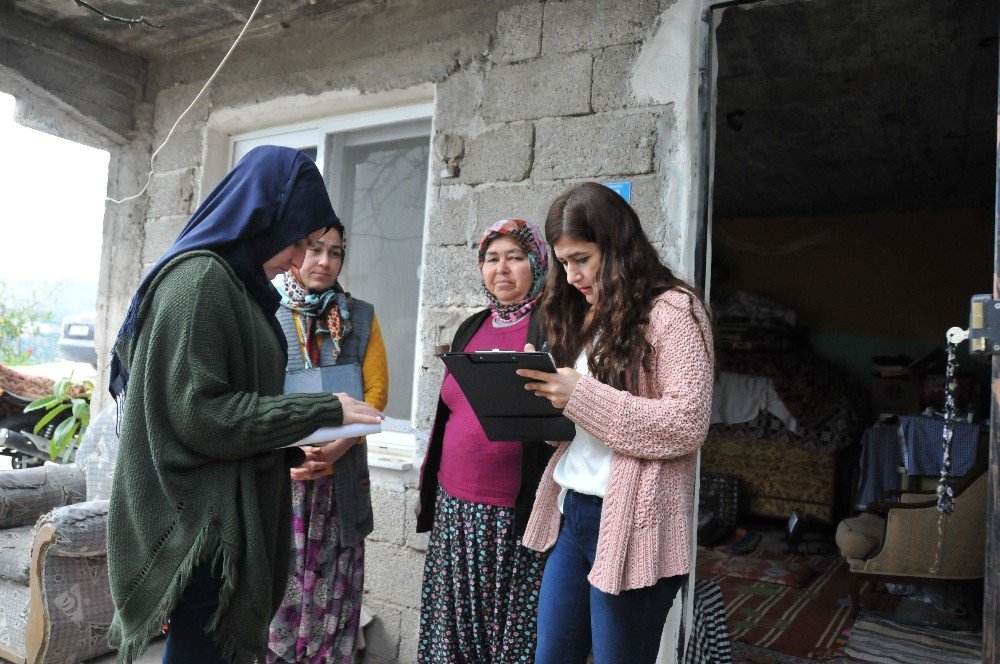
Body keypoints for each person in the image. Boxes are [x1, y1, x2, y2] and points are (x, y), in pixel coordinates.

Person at [106, 146, 383, 664]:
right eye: (299, 241)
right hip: (203, 529)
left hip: (221, 521)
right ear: (264, 216)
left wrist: (285, 447)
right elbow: (200, 414)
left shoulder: (236, 285)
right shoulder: (199, 281)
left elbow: (232, 402)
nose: (302, 260)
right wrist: (318, 411)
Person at [517, 182, 715, 664]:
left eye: (581, 258)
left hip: (635, 522)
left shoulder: (673, 311)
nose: (572, 275)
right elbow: (582, 429)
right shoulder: (589, 316)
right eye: (563, 263)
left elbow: (687, 422)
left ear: (618, 245)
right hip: (573, 514)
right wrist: (537, 399)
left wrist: (578, 395)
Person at [415, 219, 555, 663]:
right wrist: (428, 487)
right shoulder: (470, 327)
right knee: (452, 633)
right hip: (455, 507)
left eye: (515, 257)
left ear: (536, 262)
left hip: (513, 516)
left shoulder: (554, 327)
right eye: (492, 258)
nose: (503, 269)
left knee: (510, 635)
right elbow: (447, 411)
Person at [268, 221, 389, 663]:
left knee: (335, 602)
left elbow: (375, 396)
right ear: (296, 251)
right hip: (281, 482)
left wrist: (339, 446)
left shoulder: (360, 316)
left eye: (335, 252)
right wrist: (289, 453)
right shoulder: (266, 310)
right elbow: (252, 397)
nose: (324, 261)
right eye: (315, 249)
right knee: (276, 600)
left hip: (340, 485)